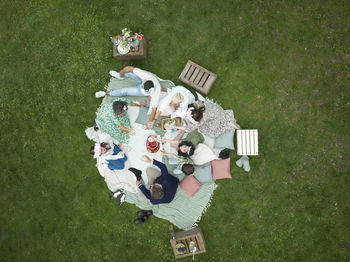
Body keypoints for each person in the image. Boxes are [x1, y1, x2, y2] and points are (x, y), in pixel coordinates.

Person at [95, 66, 163, 126]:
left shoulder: (156, 93)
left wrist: (150, 121)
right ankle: (120, 76)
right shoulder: (147, 76)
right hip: (142, 82)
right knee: (130, 73)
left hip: (140, 91)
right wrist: (122, 72)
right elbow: (130, 68)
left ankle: (107, 93)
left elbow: (154, 110)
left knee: (124, 91)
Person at [170, 93, 240, 138]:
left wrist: (175, 126)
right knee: (213, 113)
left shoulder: (199, 121)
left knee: (211, 134)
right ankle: (226, 119)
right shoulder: (196, 106)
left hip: (215, 118)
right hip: (214, 109)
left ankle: (229, 125)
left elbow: (188, 129)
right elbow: (199, 103)